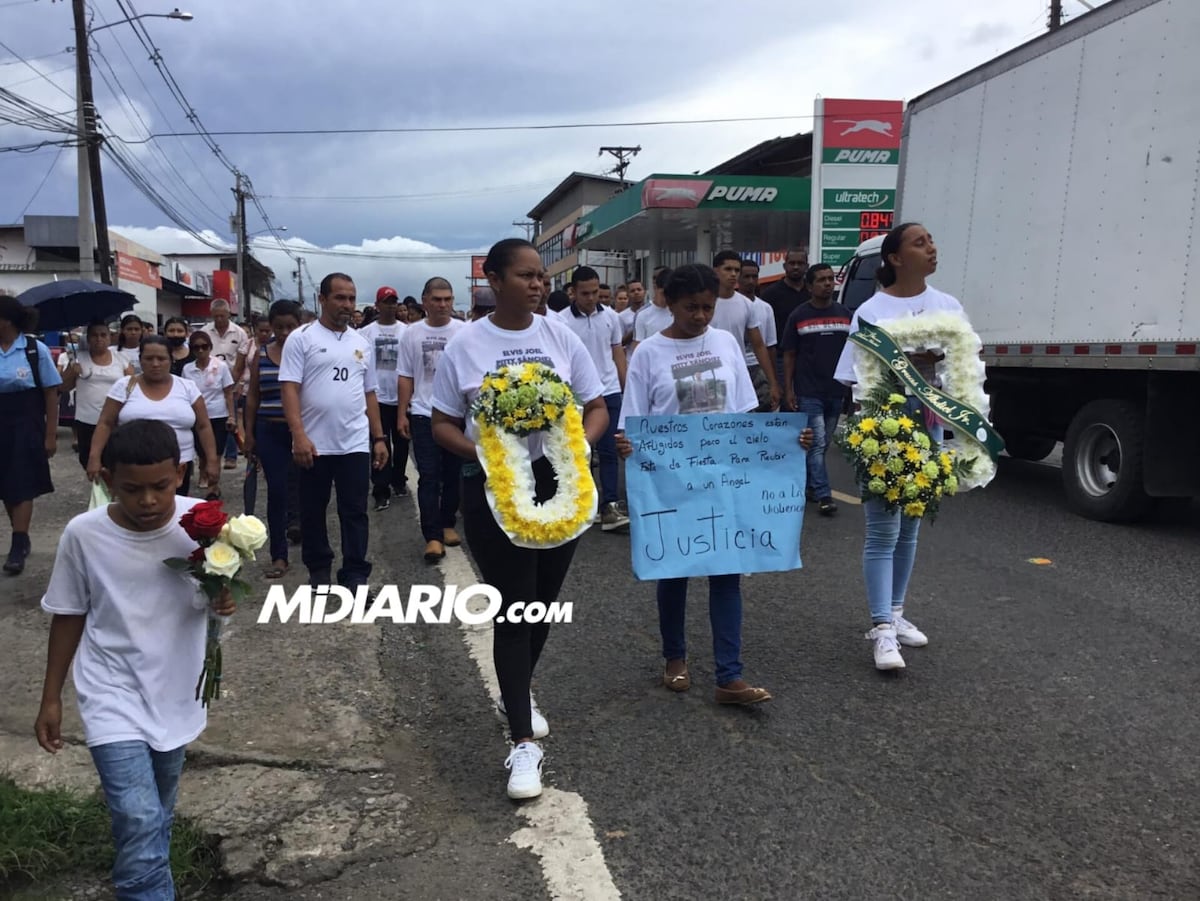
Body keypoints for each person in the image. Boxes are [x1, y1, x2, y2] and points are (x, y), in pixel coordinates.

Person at [432, 238, 607, 800]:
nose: (538, 285)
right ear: (494, 279)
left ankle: (518, 688)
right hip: (493, 490)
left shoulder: (561, 337)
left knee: (543, 604)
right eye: (527, 275)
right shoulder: (465, 344)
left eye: (541, 277)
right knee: (514, 605)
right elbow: (440, 423)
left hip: (558, 483)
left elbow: (596, 406)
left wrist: (576, 450)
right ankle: (521, 745)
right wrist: (486, 456)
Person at [36, 418, 237, 899]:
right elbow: (67, 614)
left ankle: (145, 877)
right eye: (131, 489)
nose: (148, 501)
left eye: (161, 487)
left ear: (180, 473)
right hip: (110, 691)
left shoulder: (204, 526)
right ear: (108, 481)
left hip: (177, 689)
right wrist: (51, 698)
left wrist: (223, 597)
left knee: (155, 812)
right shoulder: (83, 535)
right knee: (139, 814)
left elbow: (217, 594)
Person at [616, 264, 812, 706]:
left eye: (708, 307)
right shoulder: (647, 352)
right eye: (692, 308)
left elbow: (745, 415)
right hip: (671, 480)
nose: (701, 316)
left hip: (724, 475)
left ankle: (730, 675)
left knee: (726, 574)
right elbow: (635, 421)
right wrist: (629, 447)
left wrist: (784, 442)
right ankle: (675, 658)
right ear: (668, 302)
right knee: (676, 571)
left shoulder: (725, 343)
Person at [834, 222, 964, 671]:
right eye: (919, 242)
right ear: (894, 258)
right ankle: (881, 630)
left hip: (929, 427)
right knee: (882, 531)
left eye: (931, 240)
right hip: (884, 426)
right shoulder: (871, 310)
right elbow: (857, 377)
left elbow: (965, 367)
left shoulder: (948, 306)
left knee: (910, 526)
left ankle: (897, 613)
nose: (931, 248)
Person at [280, 273, 388, 590]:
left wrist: (379, 438)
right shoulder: (302, 339)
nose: (347, 305)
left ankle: (355, 574)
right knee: (313, 510)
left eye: (352, 298)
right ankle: (319, 569)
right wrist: (298, 435)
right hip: (314, 443)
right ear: (323, 300)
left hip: (354, 442)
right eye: (340, 298)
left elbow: (370, 393)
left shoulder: (361, 342)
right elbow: (289, 388)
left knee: (355, 511)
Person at [88, 335, 219, 497]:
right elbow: (105, 423)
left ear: (170, 360)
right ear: (140, 359)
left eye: (161, 358)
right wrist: (94, 457)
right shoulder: (124, 386)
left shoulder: (187, 388)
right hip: (132, 466)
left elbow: (203, 426)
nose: (155, 364)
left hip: (178, 465)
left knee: (174, 513)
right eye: (149, 358)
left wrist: (212, 461)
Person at [555, 266, 628, 530]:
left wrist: (624, 385)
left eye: (595, 292)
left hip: (608, 391)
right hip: (576, 394)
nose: (591, 298)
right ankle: (582, 504)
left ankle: (609, 505)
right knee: (579, 451)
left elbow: (617, 353)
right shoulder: (560, 321)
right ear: (573, 292)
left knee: (609, 451)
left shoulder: (610, 317)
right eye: (585, 293)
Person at [397, 277, 465, 562]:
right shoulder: (411, 334)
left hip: (458, 414)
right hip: (424, 413)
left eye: (447, 299)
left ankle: (448, 521)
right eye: (436, 299)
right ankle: (433, 536)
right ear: (425, 302)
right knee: (429, 475)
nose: (442, 304)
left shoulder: (465, 331)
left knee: (454, 474)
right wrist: (402, 412)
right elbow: (406, 375)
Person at [783, 263, 852, 516]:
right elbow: (789, 354)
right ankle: (824, 494)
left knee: (824, 442)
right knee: (818, 443)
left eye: (830, 279)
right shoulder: (799, 316)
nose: (827, 283)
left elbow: (854, 354)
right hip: (808, 390)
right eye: (821, 280)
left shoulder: (846, 315)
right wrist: (788, 389)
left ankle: (810, 485)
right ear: (810, 286)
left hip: (836, 391)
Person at [0, 294, 61, 575]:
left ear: (7, 321)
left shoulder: (35, 349)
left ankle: (18, 543)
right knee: (6, 484)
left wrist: (50, 434)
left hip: (26, 422)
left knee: (22, 481)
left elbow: (51, 393)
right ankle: (20, 535)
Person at [244, 300, 303, 578]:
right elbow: (253, 396)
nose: (284, 332)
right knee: (277, 492)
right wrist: (249, 434)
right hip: (270, 432)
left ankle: (310, 542)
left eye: (290, 326)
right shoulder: (262, 354)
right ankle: (279, 555)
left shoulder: (308, 355)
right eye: (278, 327)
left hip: (302, 432)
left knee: (306, 489)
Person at [59, 319, 134, 472]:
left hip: (116, 420)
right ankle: (100, 491)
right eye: (94, 335)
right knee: (88, 459)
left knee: (116, 459)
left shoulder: (121, 358)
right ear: (88, 338)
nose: (99, 339)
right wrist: (71, 372)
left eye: (103, 335)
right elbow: (63, 386)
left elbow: (132, 386)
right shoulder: (79, 357)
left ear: (109, 337)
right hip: (87, 419)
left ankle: (114, 491)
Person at [359, 287, 409, 510]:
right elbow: (358, 361)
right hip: (377, 398)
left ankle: (398, 480)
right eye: (386, 302)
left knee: (402, 443)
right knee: (379, 442)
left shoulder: (406, 332)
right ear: (377, 305)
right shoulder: (366, 333)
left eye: (393, 302)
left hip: (401, 398)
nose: (391, 306)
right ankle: (380, 489)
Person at [710, 251, 780, 409]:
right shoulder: (705, 302)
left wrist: (772, 383)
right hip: (709, 374)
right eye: (728, 269)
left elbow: (759, 345)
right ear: (715, 271)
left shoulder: (746, 304)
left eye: (736, 270)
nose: (733, 274)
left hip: (738, 373)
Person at [182, 331, 236, 493]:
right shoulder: (187, 369)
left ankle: (214, 487)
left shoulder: (221, 366)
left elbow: (228, 393)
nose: (200, 350)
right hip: (196, 416)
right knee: (202, 452)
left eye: (204, 347)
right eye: (196, 347)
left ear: (210, 348)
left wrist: (232, 416)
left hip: (218, 414)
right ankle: (204, 472)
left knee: (217, 452)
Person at [200, 300, 250, 472]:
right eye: (216, 316)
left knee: (231, 419)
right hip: (208, 384)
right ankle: (209, 455)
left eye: (222, 315)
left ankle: (231, 455)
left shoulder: (239, 333)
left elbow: (240, 362)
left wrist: (231, 384)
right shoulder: (204, 332)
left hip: (232, 381)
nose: (219, 319)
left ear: (229, 314)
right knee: (209, 420)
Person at [738, 257, 779, 412]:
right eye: (746, 276)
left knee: (763, 411)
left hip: (759, 367)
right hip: (739, 366)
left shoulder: (765, 308)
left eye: (754, 276)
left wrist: (773, 380)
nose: (750, 280)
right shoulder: (728, 304)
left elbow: (769, 346)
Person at [629, 267, 673, 356]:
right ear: (655, 288)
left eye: (670, 293)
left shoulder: (679, 311)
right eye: (663, 293)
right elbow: (637, 346)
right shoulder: (642, 314)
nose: (666, 298)